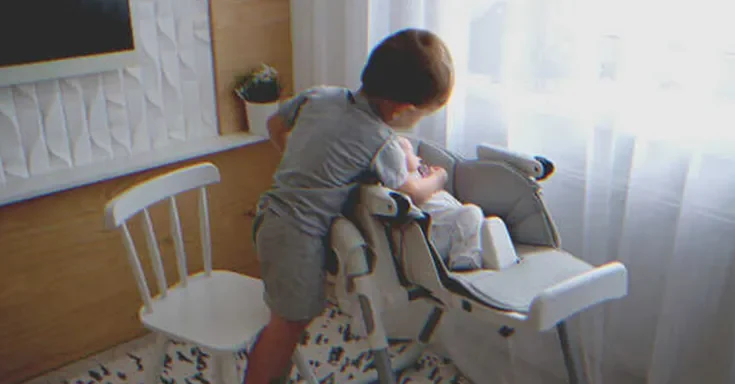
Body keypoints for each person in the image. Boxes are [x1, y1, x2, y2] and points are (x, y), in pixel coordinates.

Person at [245, 28, 455, 384]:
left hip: (271, 217)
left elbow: (275, 124)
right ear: (401, 109)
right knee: (286, 328)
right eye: (419, 116)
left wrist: (301, 162)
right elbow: (412, 193)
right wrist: (438, 178)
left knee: (288, 321)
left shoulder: (320, 96)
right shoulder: (380, 140)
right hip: (297, 236)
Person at [397, 137, 486, 270]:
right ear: (399, 157)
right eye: (412, 153)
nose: (419, 158)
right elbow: (417, 195)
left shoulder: (418, 176)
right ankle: (463, 260)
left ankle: (470, 251)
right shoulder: (402, 179)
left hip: (445, 224)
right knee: (471, 212)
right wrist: (437, 178)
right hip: (432, 231)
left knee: (475, 220)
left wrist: (430, 178)